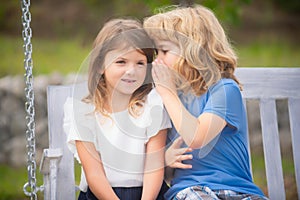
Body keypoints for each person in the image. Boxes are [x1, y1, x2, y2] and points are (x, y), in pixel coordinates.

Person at [144, 5, 268, 200]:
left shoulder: (225, 90)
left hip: (238, 191)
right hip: (190, 190)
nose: (157, 61)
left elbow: (196, 137)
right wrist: (165, 161)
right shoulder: (162, 98)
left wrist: (168, 94)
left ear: (193, 50)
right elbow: (162, 169)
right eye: (156, 53)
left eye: (164, 51)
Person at [63, 18, 171, 200]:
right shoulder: (83, 111)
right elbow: (94, 173)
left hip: (148, 194)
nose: (131, 71)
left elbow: (154, 166)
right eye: (121, 62)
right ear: (100, 66)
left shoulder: (153, 105)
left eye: (140, 63)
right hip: (101, 194)